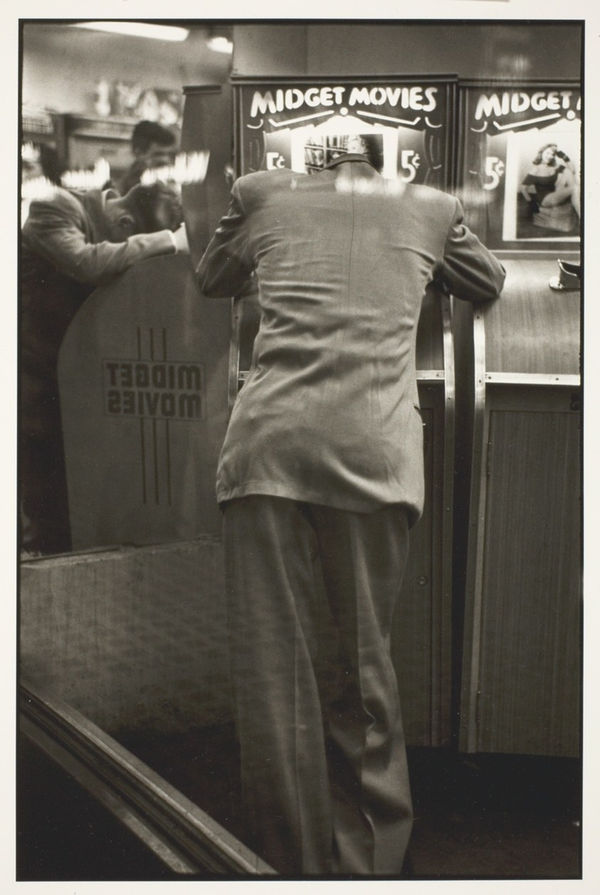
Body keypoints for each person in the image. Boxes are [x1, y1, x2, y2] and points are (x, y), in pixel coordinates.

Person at [196, 147, 505, 876]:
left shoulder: (261, 191)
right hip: (371, 456)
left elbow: (212, 276)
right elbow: (488, 280)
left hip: (267, 454)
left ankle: (283, 857)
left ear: (311, 164)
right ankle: (366, 860)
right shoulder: (432, 206)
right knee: (361, 665)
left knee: (275, 675)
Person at [20, 180, 189, 555]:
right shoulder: (55, 206)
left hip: (85, 384)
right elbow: (89, 263)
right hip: (38, 386)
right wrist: (169, 241)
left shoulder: (103, 223)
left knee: (87, 509)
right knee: (48, 512)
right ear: (126, 223)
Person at [519, 143, 579, 233]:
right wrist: (531, 202)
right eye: (547, 153)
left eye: (552, 154)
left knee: (567, 172)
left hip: (554, 194)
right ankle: (583, 217)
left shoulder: (554, 167)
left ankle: (580, 208)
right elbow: (523, 188)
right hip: (544, 200)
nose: (550, 156)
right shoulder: (536, 169)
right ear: (541, 153)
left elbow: (572, 170)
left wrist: (563, 155)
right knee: (575, 188)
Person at [120, 119, 178, 194]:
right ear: (138, 153)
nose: (166, 160)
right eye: (158, 154)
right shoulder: (133, 190)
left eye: (170, 155)